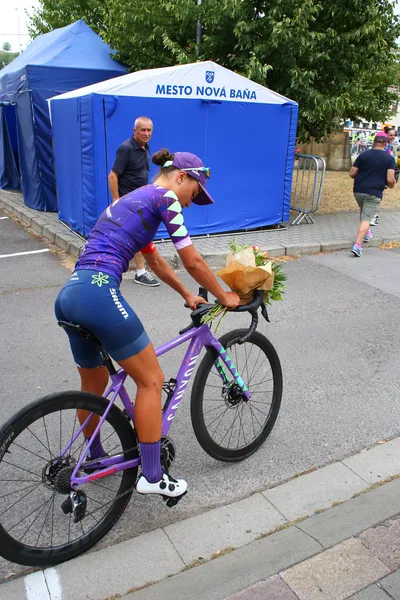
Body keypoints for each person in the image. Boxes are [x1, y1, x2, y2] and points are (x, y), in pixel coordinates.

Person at [55, 148, 241, 500]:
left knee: (93, 387)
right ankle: (153, 477)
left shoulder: (133, 201)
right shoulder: (165, 198)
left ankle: (95, 462)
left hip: (70, 295)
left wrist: (187, 294)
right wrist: (225, 294)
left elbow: (156, 263)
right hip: (98, 292)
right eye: (195, 193)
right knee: (152, 379)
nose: (189, 203)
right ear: (181, 177)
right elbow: (193, 259)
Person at [108, 117, 160, 287]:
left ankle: (117, 268)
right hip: (128, 201)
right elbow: (113, 175)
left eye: (149, 130)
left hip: (141, 199)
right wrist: (116, 201)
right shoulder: (126, 148)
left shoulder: (145, 147)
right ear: (134, 130)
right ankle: (140, 272)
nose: (146, 133)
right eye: (142, 130)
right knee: (137, 235)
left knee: (132, 236)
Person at [349, 132, 395, 257]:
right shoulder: (389, 159)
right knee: (367, 217)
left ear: (374, 142)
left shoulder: (363, 155)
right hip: (374, 191)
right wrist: (392, 185)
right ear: (385, 144)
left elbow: (352, 173)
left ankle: (367, 233)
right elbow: (390, 180)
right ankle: (357, 245)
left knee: (364, 212)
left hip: (358, 189)